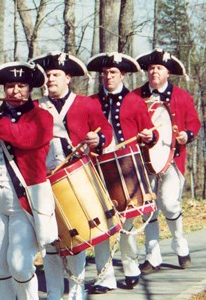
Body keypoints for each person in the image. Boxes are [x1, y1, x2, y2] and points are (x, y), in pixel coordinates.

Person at [30, 51, 113, 300]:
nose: (51, 79)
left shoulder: (86, 104)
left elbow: (105, 130)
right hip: (43, 181)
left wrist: (98, 139)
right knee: (49, 242)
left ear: (68, 78)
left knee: (76, 238)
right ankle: (55, 293)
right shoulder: (35, 107)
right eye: (47, 75)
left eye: (56, 75)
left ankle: (77, 292)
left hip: (76, 179)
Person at [0, 61, 54, 300]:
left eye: (22, 85)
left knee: (20, 265)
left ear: (31, 90)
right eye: (10, 86)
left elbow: (22, 138)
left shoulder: (42, 117)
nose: (15, 91)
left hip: (24, 201)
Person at [86, 52, 157, 293]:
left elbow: (151, 132)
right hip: (97, 167)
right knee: (102, 224)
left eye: (113, 73)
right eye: (105, 73)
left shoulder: (135, 101)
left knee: (126, 223)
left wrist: (150, 136)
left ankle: (131, 268)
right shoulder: (91, 102)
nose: (108, 77)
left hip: (127, 168)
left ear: (123, 75)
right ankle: (105, 278)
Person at [130, 48, 201, 274]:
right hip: (143, 161)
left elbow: (194, 123)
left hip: (173, 158)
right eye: (151, 68)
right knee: (147, 209)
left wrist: (185, 136)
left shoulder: (181, 95)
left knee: (169, 204)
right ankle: (153, 257)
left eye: (159, 68)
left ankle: (180, 244)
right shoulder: (135, 96)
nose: (154, 72)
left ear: (167, 73)